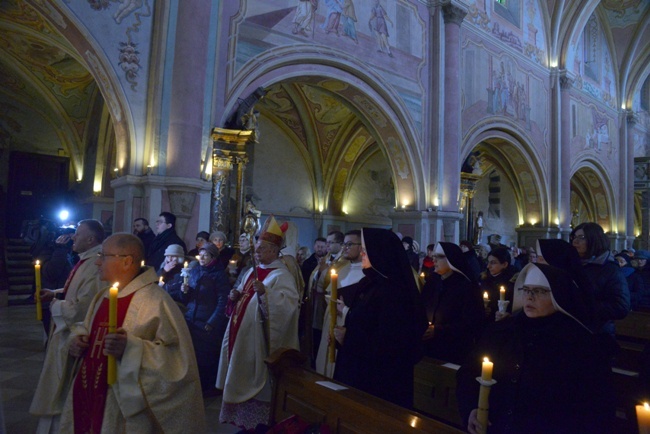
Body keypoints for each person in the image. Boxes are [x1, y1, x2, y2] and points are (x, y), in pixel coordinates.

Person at [59, 233, 204, 433]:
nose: (97, 262)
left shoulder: (156, 301)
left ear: (127, 261)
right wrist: (76, 341)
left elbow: (177, 361)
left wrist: (131, 349)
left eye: (103, 256)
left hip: (123, 409)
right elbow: (84, 327)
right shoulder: (103, 296)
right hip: (87, 392)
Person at [456, 263, 615, 434]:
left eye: (539, 291)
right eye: (526, 290)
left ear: (558, 295)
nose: (530, 297)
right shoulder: (501, 330)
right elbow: (468, 372)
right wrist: (472, 409)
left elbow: (595, 405)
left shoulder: (581, 343)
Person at [217, 215, 300, 430]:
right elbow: (243, 296)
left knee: (256, 379)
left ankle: (258, 424)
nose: (256, 253)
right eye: (256, 249)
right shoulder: (252, 272)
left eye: (261, 249)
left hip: (259, 342)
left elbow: (289, 306)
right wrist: (235, 296)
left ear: (274, 250)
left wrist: (267, 294)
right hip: (241, 336)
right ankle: (241, 421)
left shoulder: (282, 276)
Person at [333, 228, 427, 409]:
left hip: (381, 380)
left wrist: (349, 339)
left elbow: (391, 342)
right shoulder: (368, 283)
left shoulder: (396, 293)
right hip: (358, 368)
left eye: (366, 251)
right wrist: (344, 334)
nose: (362, 254)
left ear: (381, 253)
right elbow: (360, 322)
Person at [30, 220, 106, 433]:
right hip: (65, 333)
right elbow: (75, 290)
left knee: (63, 391)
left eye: (78, 234)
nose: (73, 237)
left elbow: (83, 308)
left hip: (74, 336)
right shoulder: (87, 260)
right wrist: (55, 293)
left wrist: (55, 304)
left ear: (91, 239)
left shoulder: (94, 264)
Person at [570, 222, 630, 355]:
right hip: (572, 333)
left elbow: (620, 307)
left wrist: (582, 306)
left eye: (581, 237)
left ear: (594, 240)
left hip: (596, 335)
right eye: (574, 237)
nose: (575, 241)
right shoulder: (572, 266)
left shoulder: (610, 270)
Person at [421, 242, 484, 364]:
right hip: (428, 348)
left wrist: (438, 330)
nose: (433, 260)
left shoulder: (466, 287)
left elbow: (472, 322)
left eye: (438, 256)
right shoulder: (433, 281)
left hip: (453, 350)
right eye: (433, 256)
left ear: (451, 259)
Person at [180, 242, 230, 395]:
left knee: (206, 356)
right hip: (192, 319)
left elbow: (223, 301)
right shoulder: (195, 271)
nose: (201, 257)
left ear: (213, 257)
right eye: (200, 254)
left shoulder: (219, 275)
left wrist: (212, 322)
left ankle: (207, 388)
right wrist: (185, 291)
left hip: (207, 322)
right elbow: (188, 298)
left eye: (205, 255)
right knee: (192, 355)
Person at [315, 229, 365, 377]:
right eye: (344, 244)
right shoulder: (341, 269)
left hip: (348, 327)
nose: (345, 248)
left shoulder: (366, 274)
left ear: (361, 247)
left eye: (350, 244)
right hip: (331, 321)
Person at [308, 230, 345, 362]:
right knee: (316, 332)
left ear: (340, 244)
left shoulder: (343, 261)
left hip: (328, 301)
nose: (327, 245)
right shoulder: (326, 259)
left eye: (330, 242)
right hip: (318, 301)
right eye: (327, 242)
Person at [479, 247, 517, 321]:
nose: (488, 266)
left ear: (504, 264)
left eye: (493, 263)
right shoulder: (484, 278)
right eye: (488, 262)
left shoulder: (513, 281)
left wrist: (508, 314)